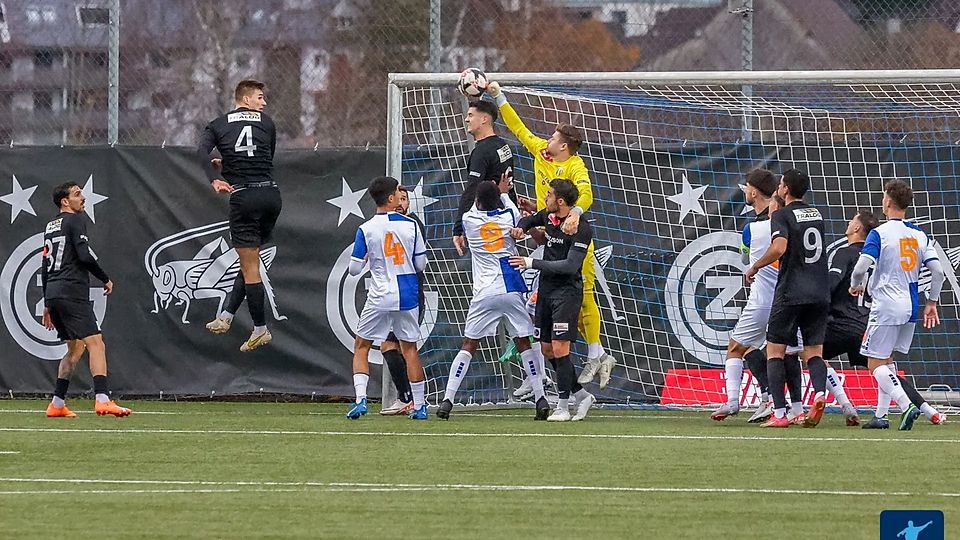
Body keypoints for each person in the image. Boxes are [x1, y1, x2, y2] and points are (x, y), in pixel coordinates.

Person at [487, 80, 618, 389]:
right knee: (541, 298)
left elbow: (585, 194)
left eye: (554, 137)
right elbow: (519, 128)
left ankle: (596, 354)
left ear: (564, 146)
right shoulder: (540, 153)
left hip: (572, 237)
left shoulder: (575, 165)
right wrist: (499, 96)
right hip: (548, 235)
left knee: (582, 294)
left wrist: (574, 213)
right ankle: (544, 372)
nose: (547, 139)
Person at [439, 181, 549, 421]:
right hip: (510, 285)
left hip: (484, 291)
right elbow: (514, 211)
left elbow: (472, 205)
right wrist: (504, 189)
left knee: (469, 344)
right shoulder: (509, 215)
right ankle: (540, 397)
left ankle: (447, 400)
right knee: (523, 342)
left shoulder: (469, 221)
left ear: (477, 202)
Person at [849, 179, 947, 430]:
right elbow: (937, 272)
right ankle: (881, 416)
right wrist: (932, 302)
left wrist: (855, 284)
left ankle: (906, 406)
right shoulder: (918, 234)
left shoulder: (879, 234)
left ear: (888, 202)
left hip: (886, 305)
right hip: (910, 306)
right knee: (887, 361)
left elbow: (862, 266)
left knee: (874, 363)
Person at [199, 80, 282, 352]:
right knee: (250, 262)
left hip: (244, 197)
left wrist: (215, 177)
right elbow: (262, 156)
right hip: (271, 196)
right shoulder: (267, 123)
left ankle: (260, 328)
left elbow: (201, 152)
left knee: (250, 268)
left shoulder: (217, 124)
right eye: (260, 97)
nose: (264, 103)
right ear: (245, 99)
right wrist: (231, 161)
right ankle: (226, 316)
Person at [745, 169, 831, 428]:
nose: (778, 187)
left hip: (792, 290)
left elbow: (780, 247)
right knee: (813, 352)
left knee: (775, 351)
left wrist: (756, 266)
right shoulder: (816, 214)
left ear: (785, 190)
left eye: (781, 184)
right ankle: (818, 394)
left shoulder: (781, 215)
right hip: (819, 292)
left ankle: (780, 414)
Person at [42, 182, 131, 418]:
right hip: (71, 291)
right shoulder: (74, 221)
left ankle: (57, 404)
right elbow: (84, 255)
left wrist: (47, 302)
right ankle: (103, 399)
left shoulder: (50, 226)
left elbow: (45, 266)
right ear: (65, 201)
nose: (83, 198)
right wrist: (105, 278)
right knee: (96, 343)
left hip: (54, 291)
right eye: (77, 194)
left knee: (75, 348)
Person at [510, 179, 595, 421]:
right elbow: (530, 220)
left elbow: (570, 266)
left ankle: (563, 407)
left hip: (567, 293)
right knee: (547, 349)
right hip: (545, 291)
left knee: (560, 348)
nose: (544, 199)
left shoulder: (582, 228)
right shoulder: (549, 217)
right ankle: (582, 396)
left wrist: (530, 262)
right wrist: (520, 228)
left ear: (560, 201)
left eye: (548, 195)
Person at [347, 177, 429, 420]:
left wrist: (369, 260)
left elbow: (353, 268)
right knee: (410, 349)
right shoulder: (411, 225)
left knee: (361, 346)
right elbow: (420, 264)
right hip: (407, 294)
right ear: (391, 198)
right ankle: (420, 406)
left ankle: (361, 400)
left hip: (380, 294)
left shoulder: (366, 228)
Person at [711, 168, 779, 422]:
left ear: (753, 192)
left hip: (762, 298)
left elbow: (743, 256)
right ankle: (771, 398)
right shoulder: (786, 224)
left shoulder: (751, 229)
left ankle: (732, 402)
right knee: (800, 354)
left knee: (735, 348)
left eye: (747, 189)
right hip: (788, 299)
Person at [452, 100, 517, 256]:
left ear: (484, 119)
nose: (467, 119)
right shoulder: (503, 145)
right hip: (507, 217)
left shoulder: (482, 152)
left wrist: (458, 228)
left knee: (489, 268)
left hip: (489, 224)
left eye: (470, 115)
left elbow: (472, 189)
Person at [380, 185, 420, 416]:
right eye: (399, 198)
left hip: (409, 293)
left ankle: (408, 398)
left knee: (400, 346)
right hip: (391, 293)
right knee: (391, 345)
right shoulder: (385, 226)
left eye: (405, 199)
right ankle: (411, 398)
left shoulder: (412, 225)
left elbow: (420, 262)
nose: (401, 202)